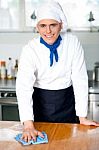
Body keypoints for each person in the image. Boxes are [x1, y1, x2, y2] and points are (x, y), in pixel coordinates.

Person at [16, 0, 99, 142]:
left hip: (67, 103)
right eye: (43, 26)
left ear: (61, 25)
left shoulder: (72, 43)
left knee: (69, 142)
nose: (48, 31)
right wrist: (28, 123)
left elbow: (80, 79)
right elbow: (24, 86)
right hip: (40, 104)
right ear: (37, 27)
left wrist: (82, 116)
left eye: (52, 25)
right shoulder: (30, 49)